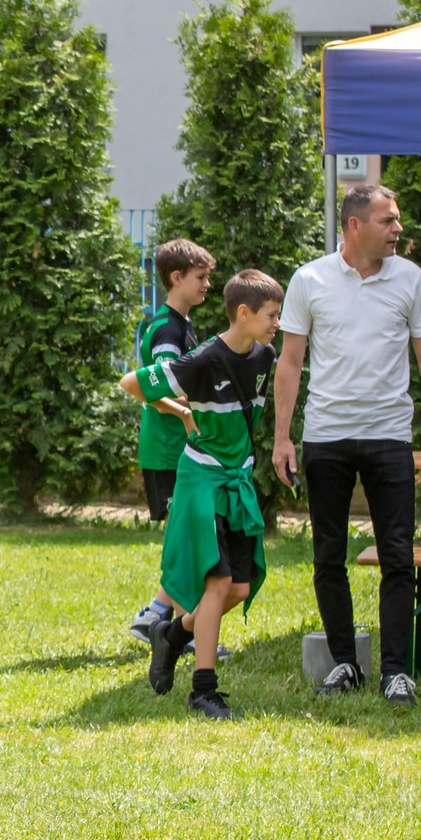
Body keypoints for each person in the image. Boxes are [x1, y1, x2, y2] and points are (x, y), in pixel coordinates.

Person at [272, 185, 421, 707]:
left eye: (397, 220)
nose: (398, 228)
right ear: (355, 225)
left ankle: (395, 672)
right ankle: (344, 664)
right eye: (388, 220)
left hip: (389, 436)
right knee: (329, 557)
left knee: (399, 556)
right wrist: (282, 437)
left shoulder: (410, 279)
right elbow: (290, 362)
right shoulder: (310, 280)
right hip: (325, 437)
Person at [121, 268, 283, 720]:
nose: (277, 323)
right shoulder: (202, 359)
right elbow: (132, 384)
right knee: (217, 583)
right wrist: (183, 414)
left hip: (237, 480)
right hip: (202, 481)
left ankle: (173, 636)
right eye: (271, 315)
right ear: (244, 313)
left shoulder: (266, 356)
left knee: (240, 587)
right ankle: (203, 690)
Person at [127, 240, 216, 648]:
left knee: (189, 536)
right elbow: (154, 385)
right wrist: (185, 411)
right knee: (187, 537)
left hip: (176, 450)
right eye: (201, 277)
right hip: (168, 452)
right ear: (176, 278)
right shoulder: (167, 329)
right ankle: (180, 628)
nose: (208, 285)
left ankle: (156, 616)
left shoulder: (179, 324)